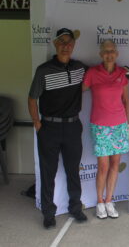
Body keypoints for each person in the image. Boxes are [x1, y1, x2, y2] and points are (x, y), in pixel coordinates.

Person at [28, 28, 87, 229]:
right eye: (61, 42)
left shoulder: (80, 68)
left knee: (73, 170)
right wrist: (37, 122)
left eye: (69, 43)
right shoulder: (43, 70)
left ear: (73, 46)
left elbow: (101, 74)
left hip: (72, 127)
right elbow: (32, 98)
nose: (65, 46)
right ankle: (48, 212)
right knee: (48, 172)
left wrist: (125, 73)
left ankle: (75, 207)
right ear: (55, 44)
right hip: (49, 127)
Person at [82, 40, 129, 219]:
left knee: (115, 165)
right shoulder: (93, 73)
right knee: (103, 166)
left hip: (119, 125)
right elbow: (79, 90)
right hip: (100, 125)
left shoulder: (121, 74)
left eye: (112, 51)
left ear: (116, 54)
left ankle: (110, 200)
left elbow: (126, 101)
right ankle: (100, 202)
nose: (109, 54)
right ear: (101, 54)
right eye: (105, 51)